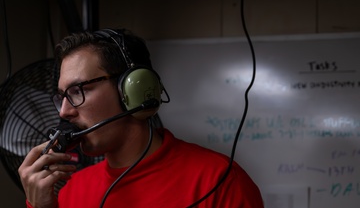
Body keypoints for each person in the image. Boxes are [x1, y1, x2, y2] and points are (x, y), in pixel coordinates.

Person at [18, 28, 264, 208]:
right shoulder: (68, 191)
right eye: (61, 96)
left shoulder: (219, 181)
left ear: (132, 92)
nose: (64, 111)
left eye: (77, 91)